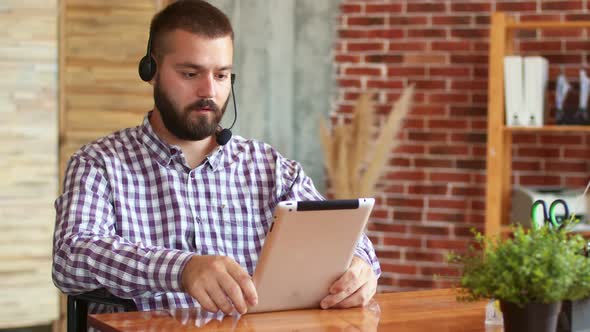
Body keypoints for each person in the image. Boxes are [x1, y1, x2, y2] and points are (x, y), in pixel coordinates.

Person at [52, 0, 380, 315]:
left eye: (221, 75)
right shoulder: (99, 164)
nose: (209, 91)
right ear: (151, 71)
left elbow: (345, 239)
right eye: (190, 74)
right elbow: (71, 257)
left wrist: (361, 268)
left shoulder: (272, 169)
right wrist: (182, 269)